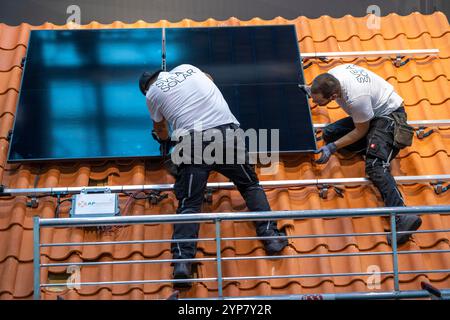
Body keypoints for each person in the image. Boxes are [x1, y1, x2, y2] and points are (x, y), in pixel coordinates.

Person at [139, 64, 288, 288]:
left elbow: (161, 129)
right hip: (226, 134)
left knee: (189, 205)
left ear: (146, 88)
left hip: (192, 143)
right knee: (249, 186)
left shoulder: (152, 94)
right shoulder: (187, 67)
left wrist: (164, 142)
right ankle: (271, 237)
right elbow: (209, 79)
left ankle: (182, 264)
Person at [310, 64, 422, 246]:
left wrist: (332, 148)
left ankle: (403, 215)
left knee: (374, 165)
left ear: (333, 96)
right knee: (330, 133)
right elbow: (318, 89)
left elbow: (360, 131)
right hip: (371, 114)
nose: (315, 104)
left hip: (388, 116)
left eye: (319, 102)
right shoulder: (332, 76)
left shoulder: (356, 99)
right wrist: (309, 90)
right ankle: (377, 146)